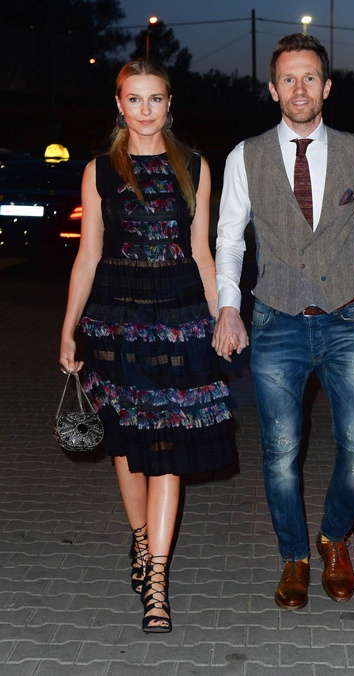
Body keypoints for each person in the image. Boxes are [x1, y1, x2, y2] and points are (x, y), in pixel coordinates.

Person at [212, 34, 354, 610]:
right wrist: (227, 306)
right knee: (280, 450)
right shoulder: (244, 156)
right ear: (273, 90)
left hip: (345, 317)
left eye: (310, 77)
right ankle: (293, 555)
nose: (300, 88)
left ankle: (333, 539)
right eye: (289, 79)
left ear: (326, 86)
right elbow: (229, 240)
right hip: (276, 321)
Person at [59, 59, 236, 633]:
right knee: (128, 442)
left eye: (154, 98)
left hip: (180, 320)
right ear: (119, 105)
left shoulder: (195, 166)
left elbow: (203, 253)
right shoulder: (99, 170)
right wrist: (67, 327)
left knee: (169, 447)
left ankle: (157, 580)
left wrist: (224, 316)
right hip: (114, 324)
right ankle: (140, 540)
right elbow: (88, 254)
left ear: (169, 103)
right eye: (134, 99)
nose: (144, 110)